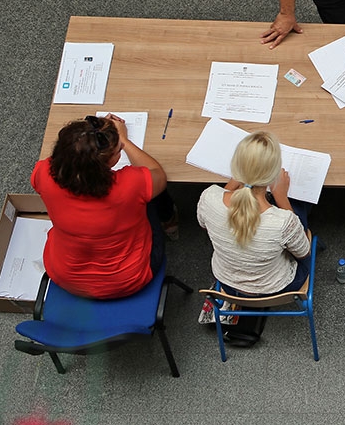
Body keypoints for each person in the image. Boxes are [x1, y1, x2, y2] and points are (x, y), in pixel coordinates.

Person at [32, 114, 177, 299]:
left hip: (65, 275)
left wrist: (87, 138)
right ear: (107, 164)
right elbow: (158, 175)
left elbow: (62, 157)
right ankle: (170, 224)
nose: (120, 150)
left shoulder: (43, 173)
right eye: (118, 151)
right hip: (128, 279)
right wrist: (123, 139)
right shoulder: (131, 185)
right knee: (153, 198)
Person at [196, 132, 311, 345]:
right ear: (272, 175)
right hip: (277, 287)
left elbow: (204, 225)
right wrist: (282, 198)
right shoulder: (282, 221)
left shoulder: (207, 197)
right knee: (301, 211)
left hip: (229, 284)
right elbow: (304, 252)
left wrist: (233, 184)